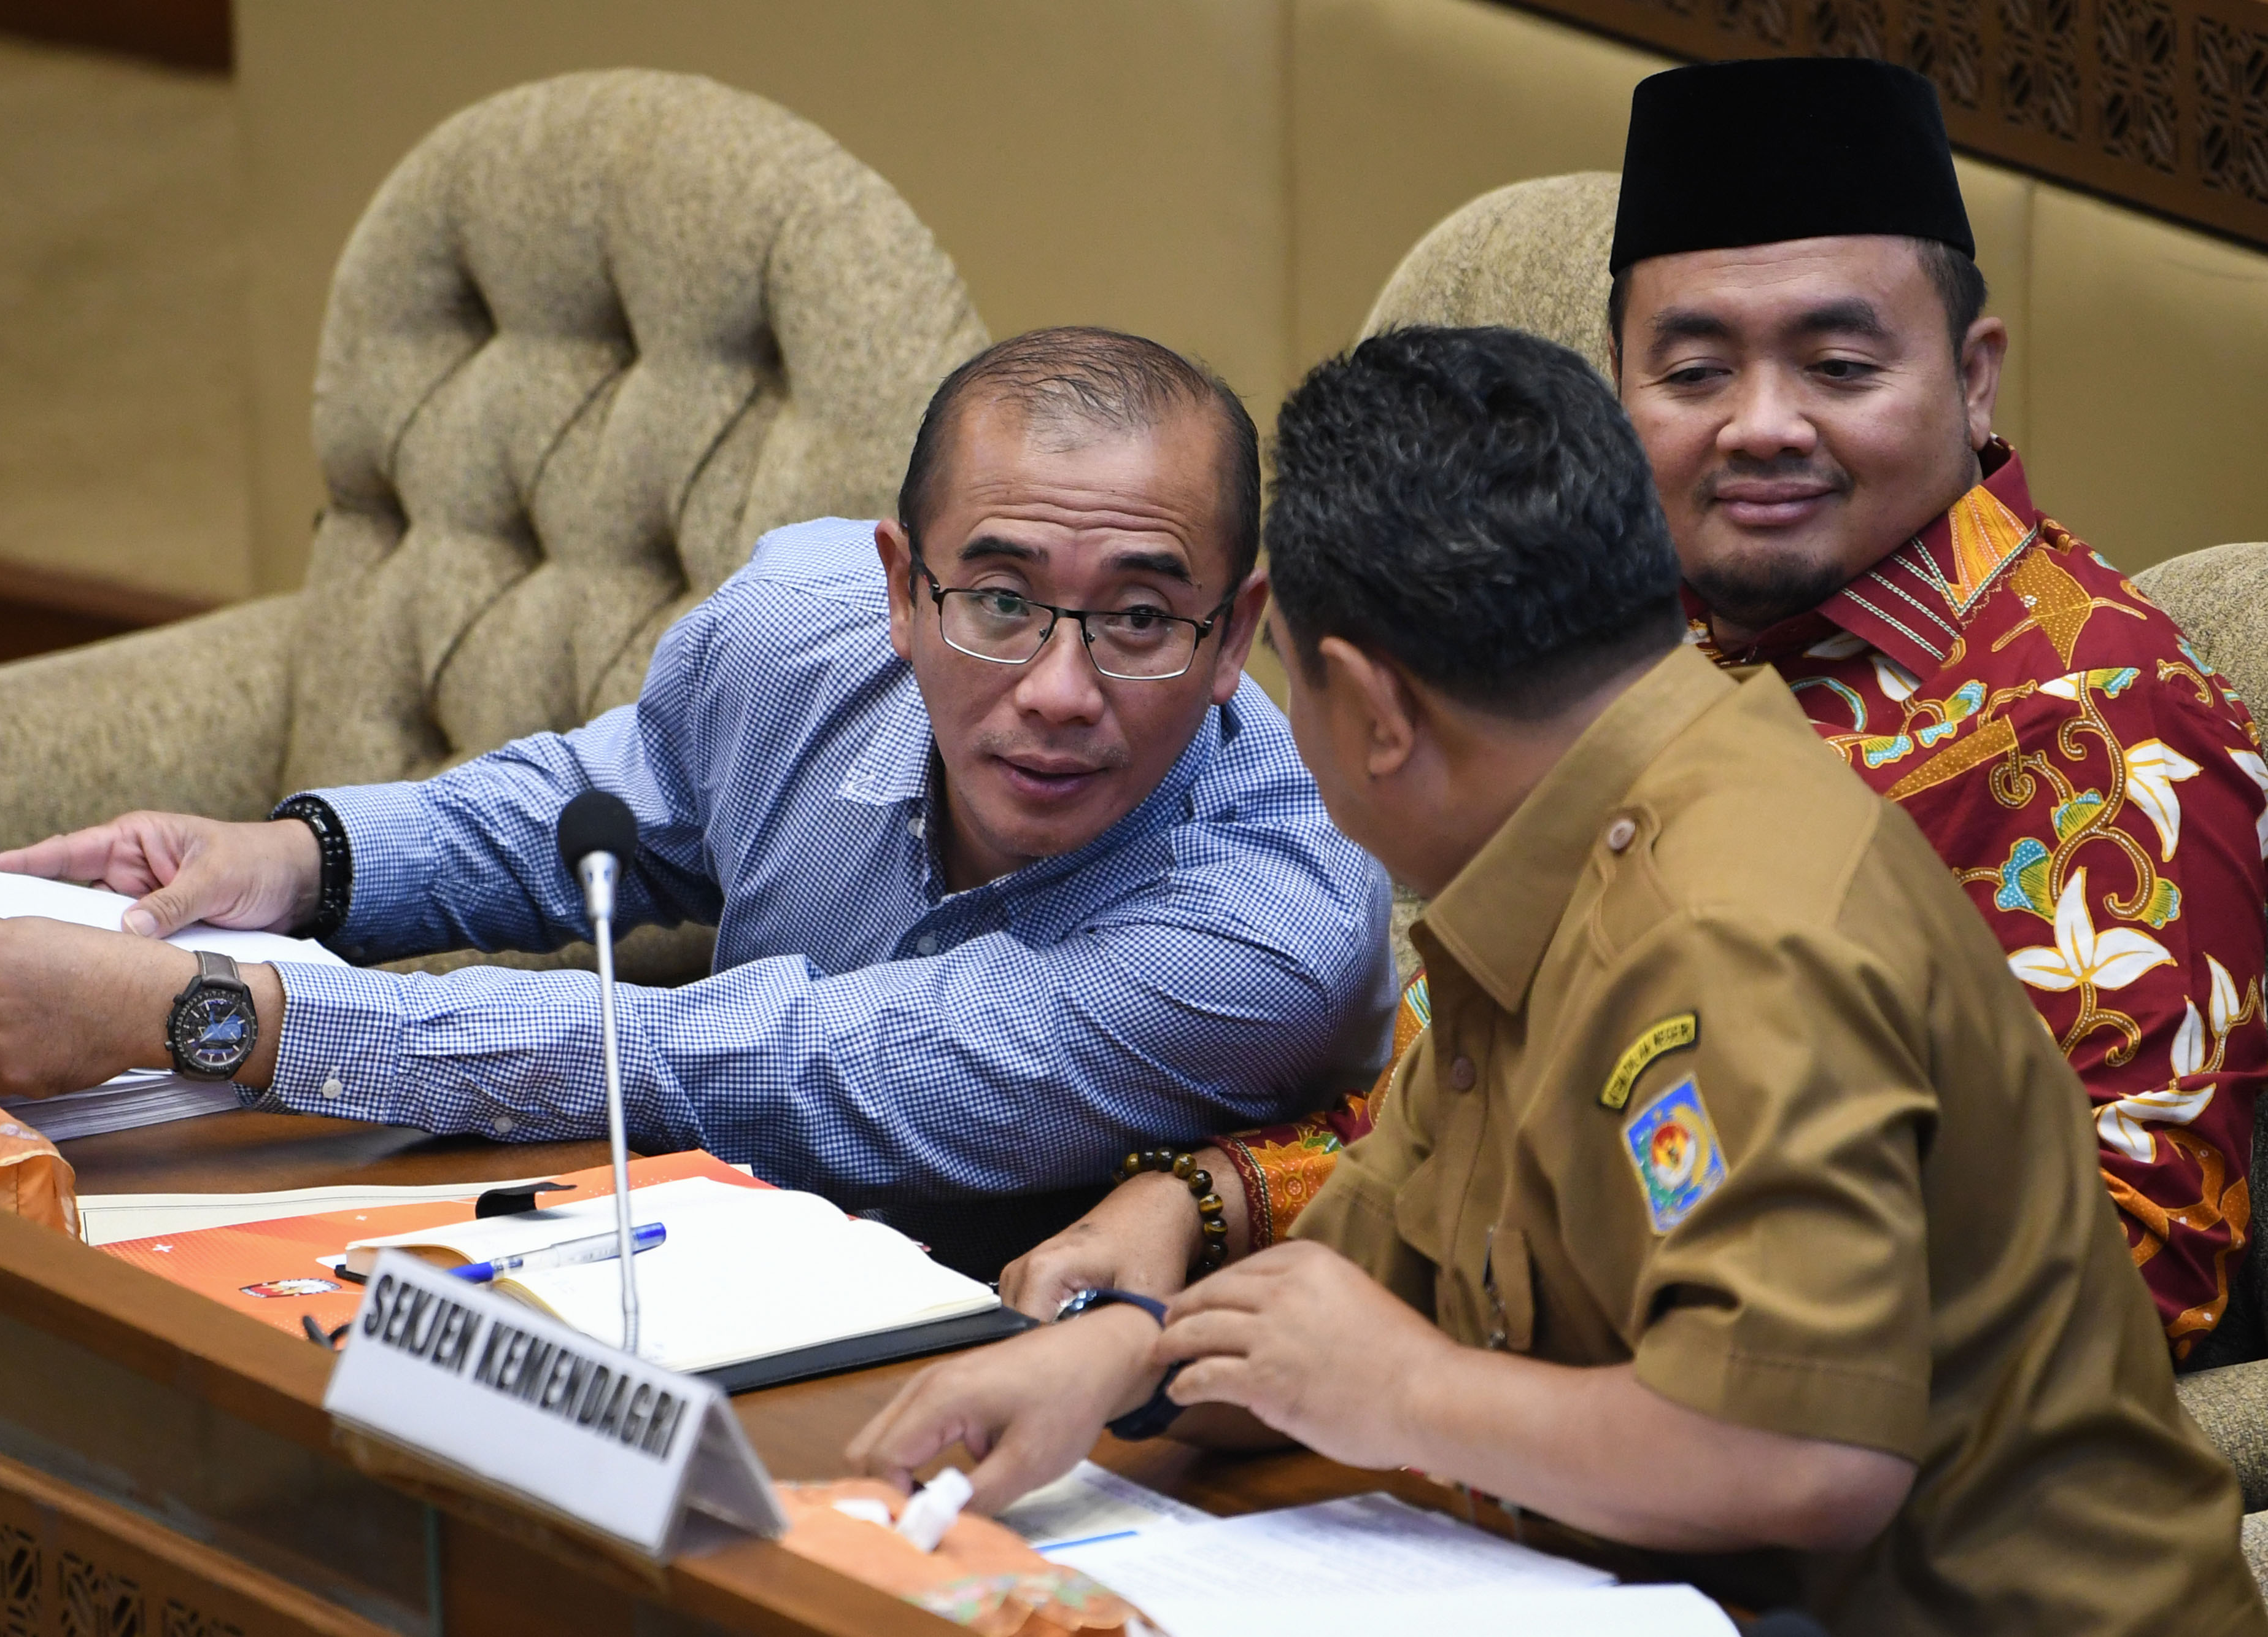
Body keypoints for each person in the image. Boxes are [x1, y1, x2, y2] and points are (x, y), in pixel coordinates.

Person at [850, 325, 2264, 1633]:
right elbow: (1358, 1274)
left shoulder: (1725, 935)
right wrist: (1115, 1360)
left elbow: (1807, 1454)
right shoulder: (1555, 828)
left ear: (1377, 710)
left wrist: (1404, 1389)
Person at [1010, 59, 2268, 1362]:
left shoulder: (2103, 726)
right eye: (1692, 374)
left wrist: (1529, 1386)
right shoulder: (1617, 612)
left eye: (1838, 365)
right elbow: (1478, 1082)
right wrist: (1204, 1198)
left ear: (1970, 376)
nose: (1761, 427)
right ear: (1615, 384)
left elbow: (2133, 1276)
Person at [0, 327, 1396, 1276]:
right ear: (895, 586)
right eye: (997, 600)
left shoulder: (1269, 914)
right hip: (678, 1261)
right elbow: (621, 797)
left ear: (1236, 633)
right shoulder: (802, 618)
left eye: (1138, 620)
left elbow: (764, 1062)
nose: (1059, 688)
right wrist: (296, 860)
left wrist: (210, 1013)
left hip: (1013, 1364)